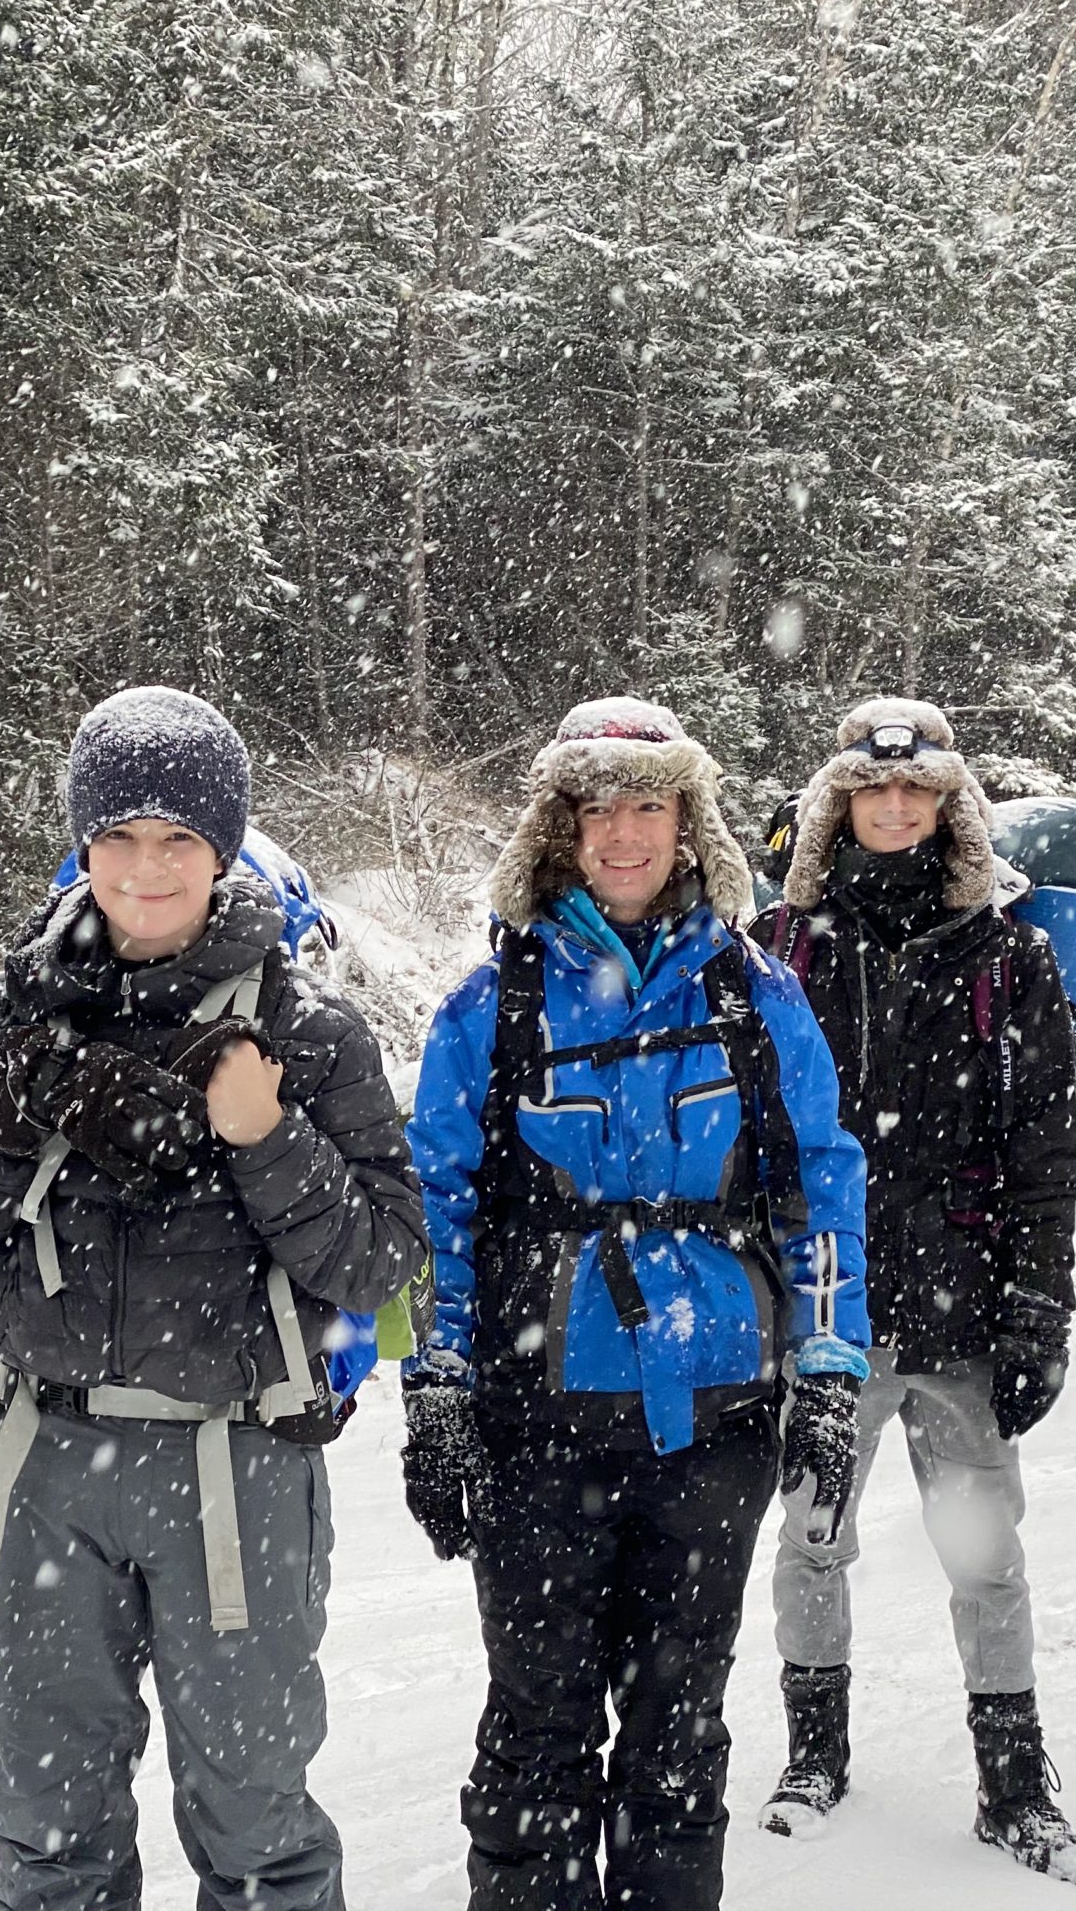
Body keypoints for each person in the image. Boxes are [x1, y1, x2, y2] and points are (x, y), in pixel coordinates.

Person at [0, 685, 427, 1911]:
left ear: (224, 849)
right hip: (44, 1458)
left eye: (179, 839)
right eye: (120, 836)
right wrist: (6, 1128)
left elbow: (384, 1262)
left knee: (257, 1827)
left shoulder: (309, 1027)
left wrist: (265, 1135)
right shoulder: (11, 1011)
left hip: (234, 1468)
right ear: (81, 845)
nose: (147, 868)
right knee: (47, 1827)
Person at [398, 697, 870, 1911]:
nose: (621, 834)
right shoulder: (491, 1006)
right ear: (558, 826)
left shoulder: (756, 994)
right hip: (535, 1422)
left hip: (711, 1424)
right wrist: (437, 1388)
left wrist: (827, 1362)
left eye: (645, 805)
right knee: (536, 1736)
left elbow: (820, 1181)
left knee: (677, 1735)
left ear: (684, 819)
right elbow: (430, 1211)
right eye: (596, 808)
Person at [750, 697, 1076, 1886]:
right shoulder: (778, 947)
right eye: (871, 789)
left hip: (961, 1315)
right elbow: (750, 1144)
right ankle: (814, 1757)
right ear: (836, 804)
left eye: (917, 792)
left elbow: (1046, 1148)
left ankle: (1013, 1788)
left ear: (948, 806)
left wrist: (1037, 1309)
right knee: (811, 1543)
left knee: (986, 1558)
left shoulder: (1009, 953)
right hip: (825, 1316)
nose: (894, 808)